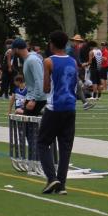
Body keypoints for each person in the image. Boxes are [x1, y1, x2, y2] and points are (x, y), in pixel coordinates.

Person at [39, 30, 78, 195]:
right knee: (65, 147)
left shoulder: (48, 61)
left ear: (52, 44)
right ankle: (61, 185)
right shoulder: (73, 61)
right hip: (70, 106)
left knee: (42, 143)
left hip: (54, 107)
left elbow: (46, 87)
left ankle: (51, 177)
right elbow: (75, 84)